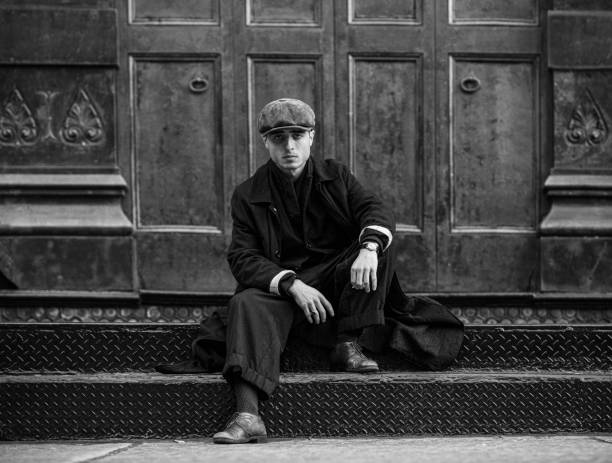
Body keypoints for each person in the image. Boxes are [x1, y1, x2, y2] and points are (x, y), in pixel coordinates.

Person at [210, 98, 463, 444]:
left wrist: (369, 248)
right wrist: (291, 284)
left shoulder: (336, 176)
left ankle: (347, 343)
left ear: (311, 137)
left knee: (378, 243)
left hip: (338, 284)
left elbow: (374, 210)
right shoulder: (247, 194)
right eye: (279, 137)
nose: (289, 146)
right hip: (289, 293)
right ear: (266, 142)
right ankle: (248, 415)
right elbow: (242, 257)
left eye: (297, 136)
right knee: (245, 302)